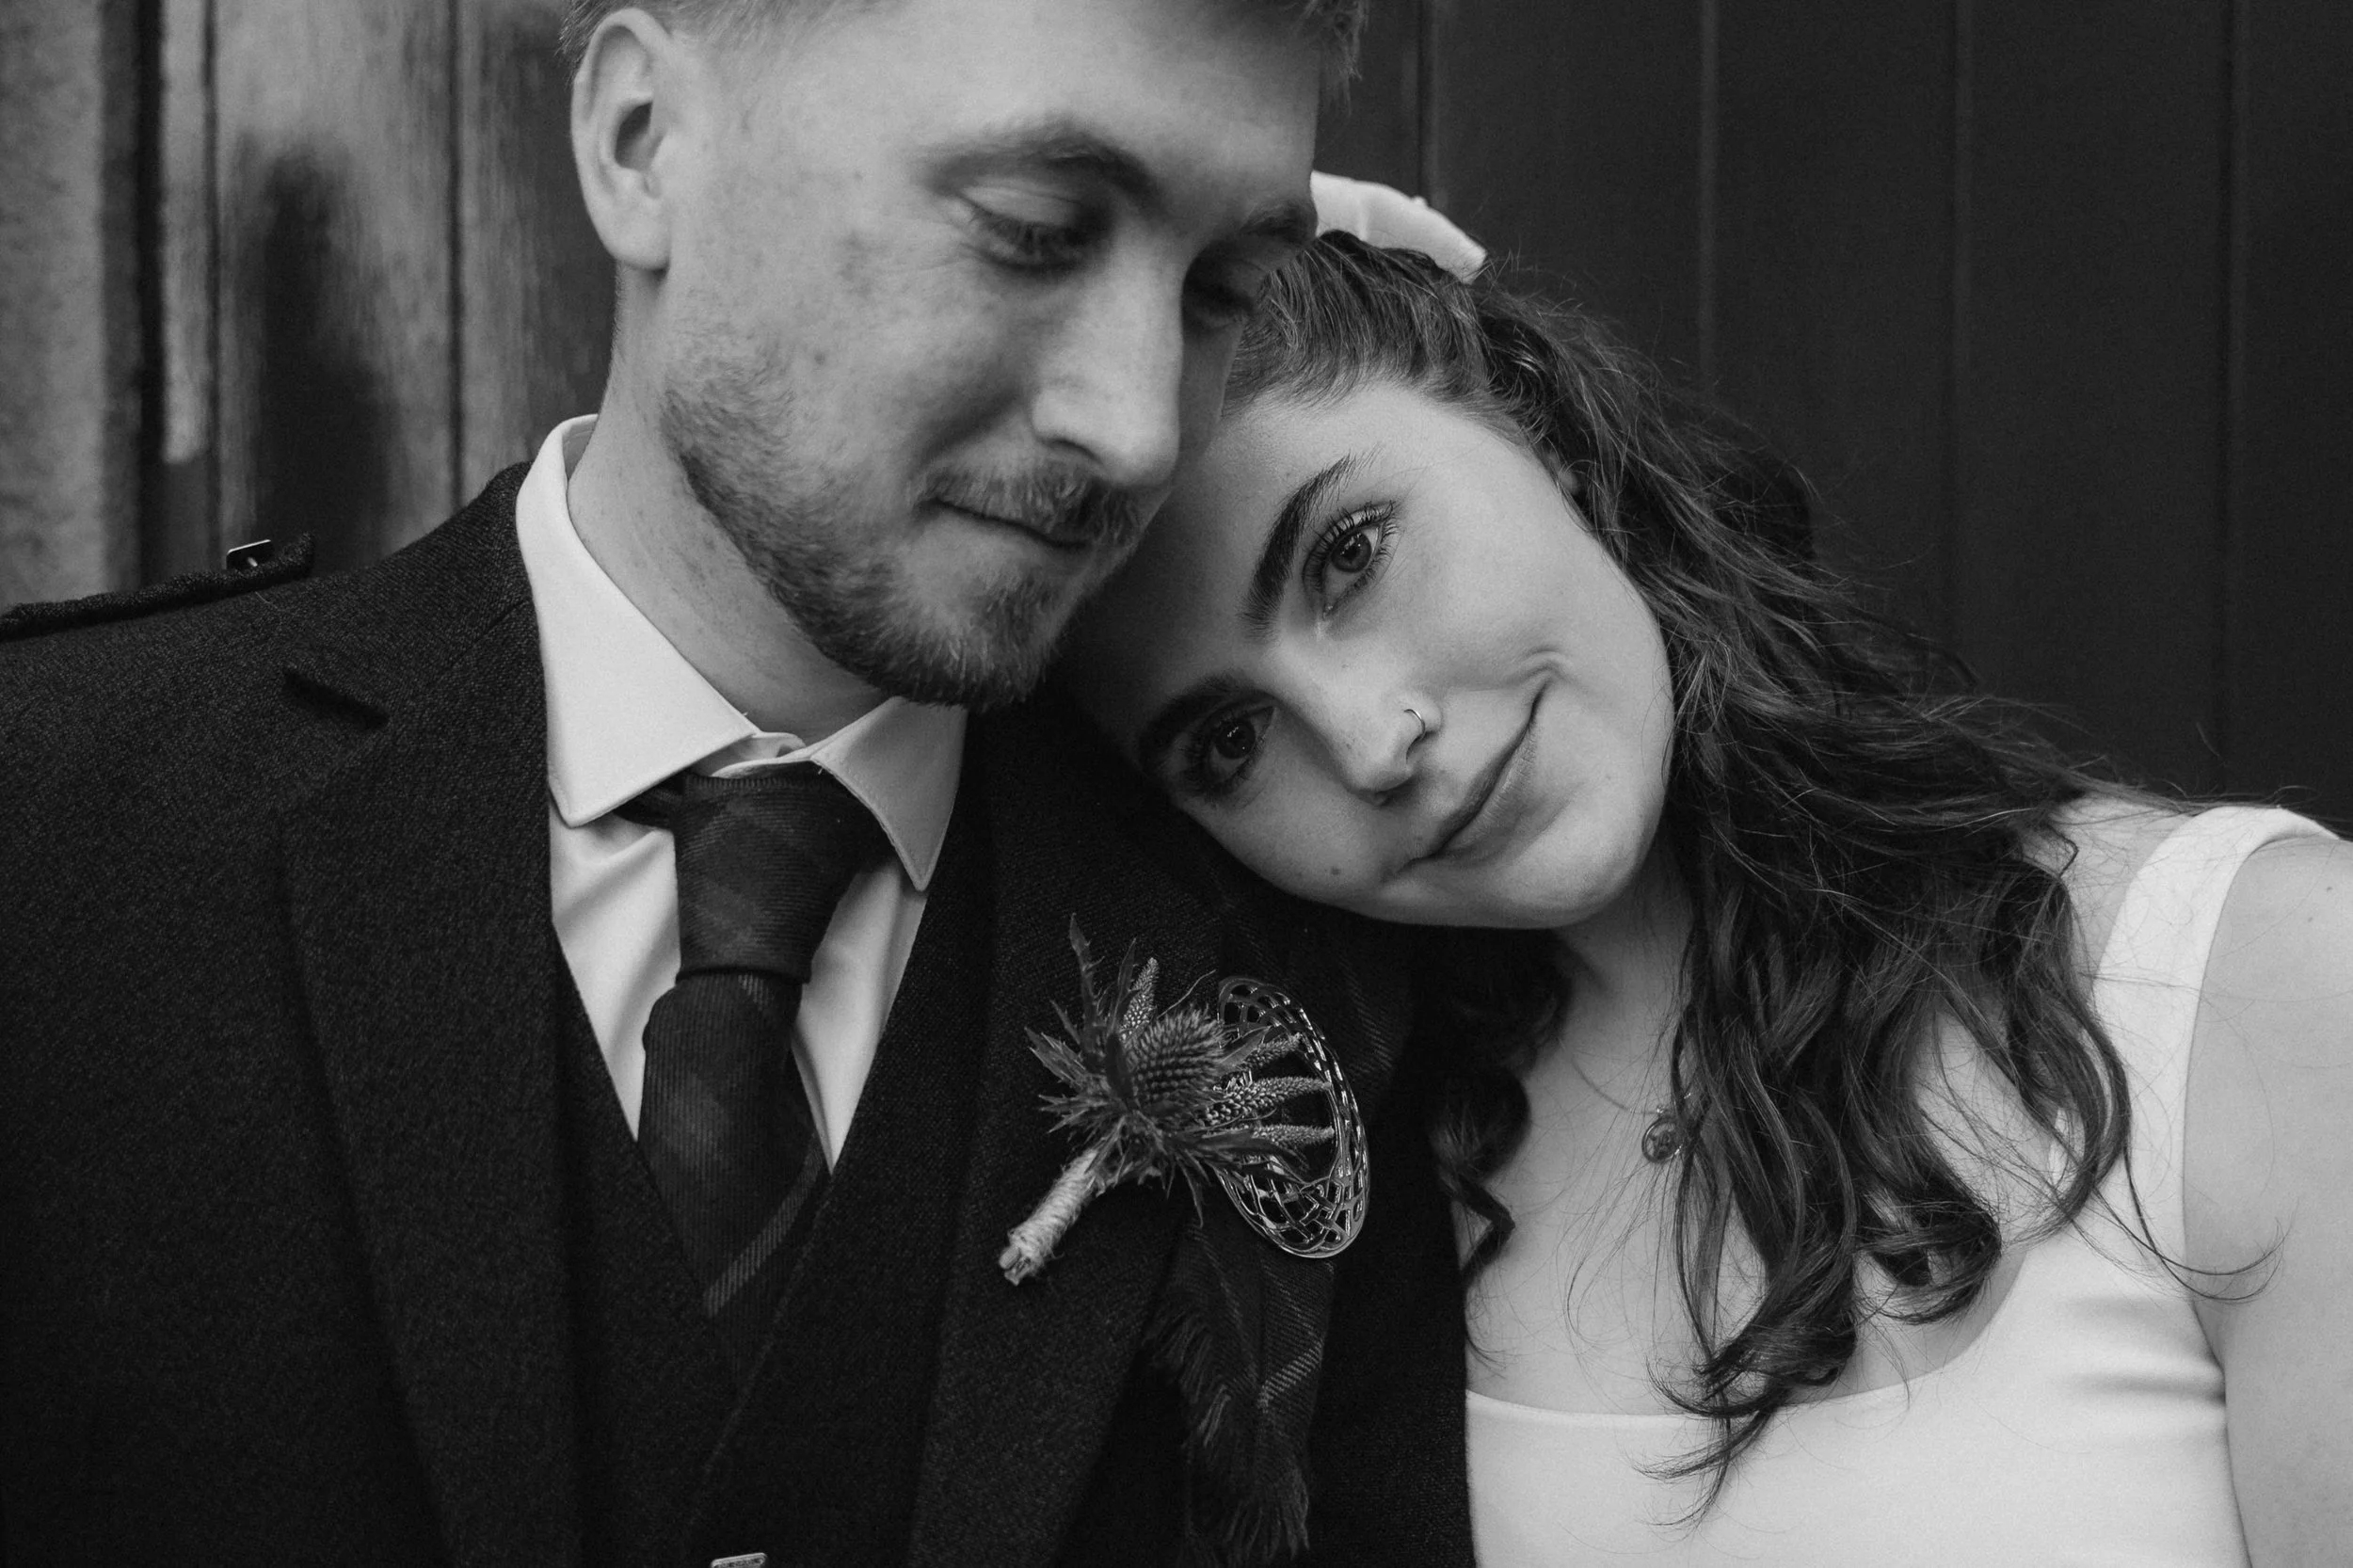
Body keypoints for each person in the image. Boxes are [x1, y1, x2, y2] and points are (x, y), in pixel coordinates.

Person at [0, 5, 1452, 1563]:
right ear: (643, 142)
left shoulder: (1292, 932)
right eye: (1035, 232)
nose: (1141, 425)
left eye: (1222, 290)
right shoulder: (52, 823)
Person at [1061, 233, 2353, 1564]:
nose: (1368, 742)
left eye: (1350, 555)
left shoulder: (2251, 977)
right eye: (1229, 741)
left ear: (1535, 424)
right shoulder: (1328, 1209)